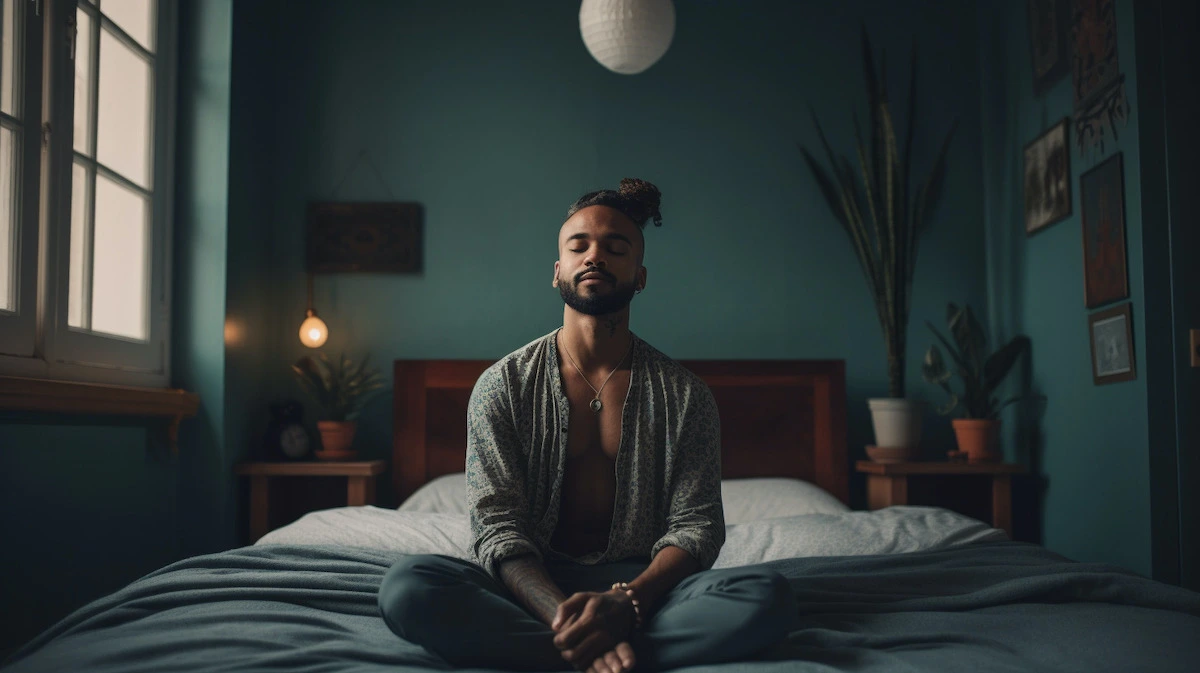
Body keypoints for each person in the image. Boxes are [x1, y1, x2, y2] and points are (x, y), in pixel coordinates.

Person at [378, 178, 796, 672]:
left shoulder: (685, 395)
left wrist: (625, 604)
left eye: (615, 248)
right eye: (579, 246)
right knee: (408, 587)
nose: (594, 256)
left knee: (767, 595)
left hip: (645, 594)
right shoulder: (503, 386)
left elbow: (697, 527)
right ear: (557, 273)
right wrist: (569, 620)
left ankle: (556, 656)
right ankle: (605, 657)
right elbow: (497, 528)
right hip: (528, 588)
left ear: (640, 276)